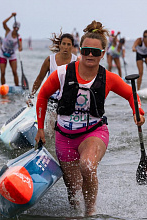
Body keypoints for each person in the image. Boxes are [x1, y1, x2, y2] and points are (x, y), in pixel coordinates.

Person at [34, 21, 145, 216]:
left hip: (94, 132)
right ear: (80, 51)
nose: (90, 56)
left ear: (103, 53)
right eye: (86, 51)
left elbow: (130, 94)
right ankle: (78, 213)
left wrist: (138, 111)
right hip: (64, 136)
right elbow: (42, 95)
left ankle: (91, 213)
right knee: (73, 190)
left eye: (95, 52)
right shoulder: (62, 73)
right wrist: (41, 128)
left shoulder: (108, 77)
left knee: (87, 165)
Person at [30, 32, 77, 137]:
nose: (65, 47)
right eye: (63, 44)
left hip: (68, 101)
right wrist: (31, 96)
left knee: (66, 130)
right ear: (59, 45)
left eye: (68, 44)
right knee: (52, 131)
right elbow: (39, 79)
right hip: (52, 100)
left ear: (72, 46)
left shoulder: (76, 61)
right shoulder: (49, 60)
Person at [0, 12, 22, 86]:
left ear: (18, 29)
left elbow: (20, 47)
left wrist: (20, 48)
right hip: (3, 54)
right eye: (15, 27)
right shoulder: (8, 31)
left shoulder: (19, 37)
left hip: (12, 55)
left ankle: (17, 87)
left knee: (14, 72)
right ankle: (3, 87)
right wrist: (11, 16)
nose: (16, 29)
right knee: (2, 72)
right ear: (13, 27)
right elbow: (3, 23)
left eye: (17, 28)